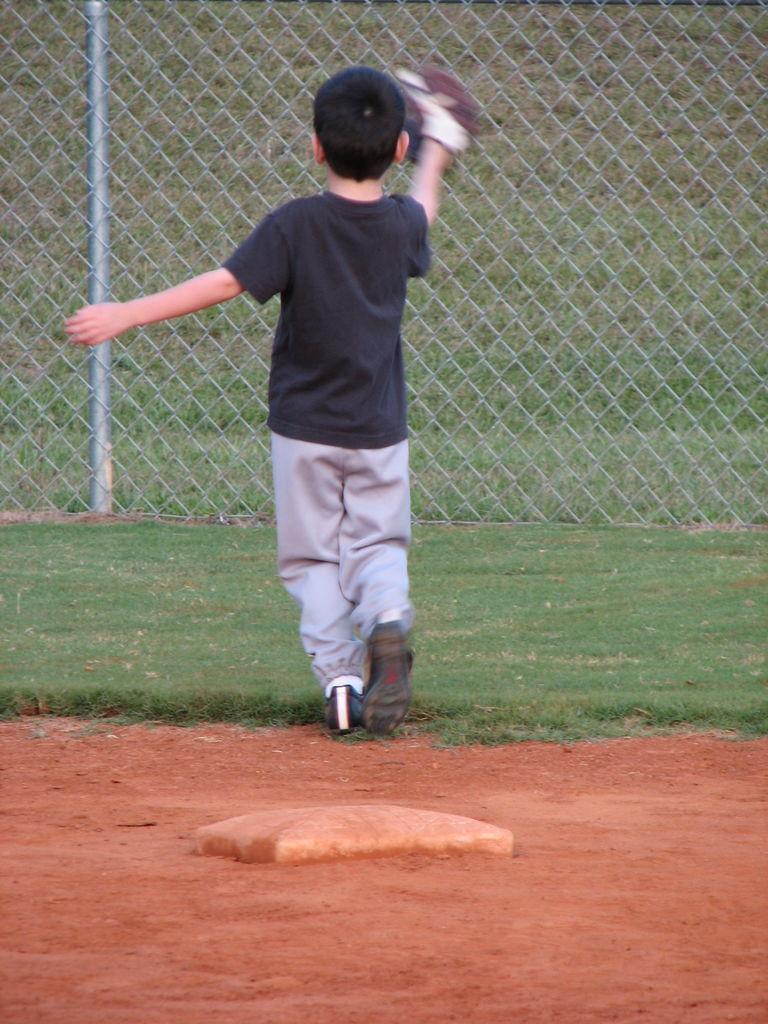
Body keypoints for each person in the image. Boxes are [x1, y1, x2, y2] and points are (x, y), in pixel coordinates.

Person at [66, 65, 474, 736]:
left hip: (304, 431)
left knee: (313, 559)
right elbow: (423, 204)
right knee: (377, 544)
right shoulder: (401, 225)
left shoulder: (294, 225)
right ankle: (388, 617)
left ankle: (341, 683)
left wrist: (128, 313)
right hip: (379, 429)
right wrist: (438, 148)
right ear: (397, 149)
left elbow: (226, 283)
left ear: (316, 146)